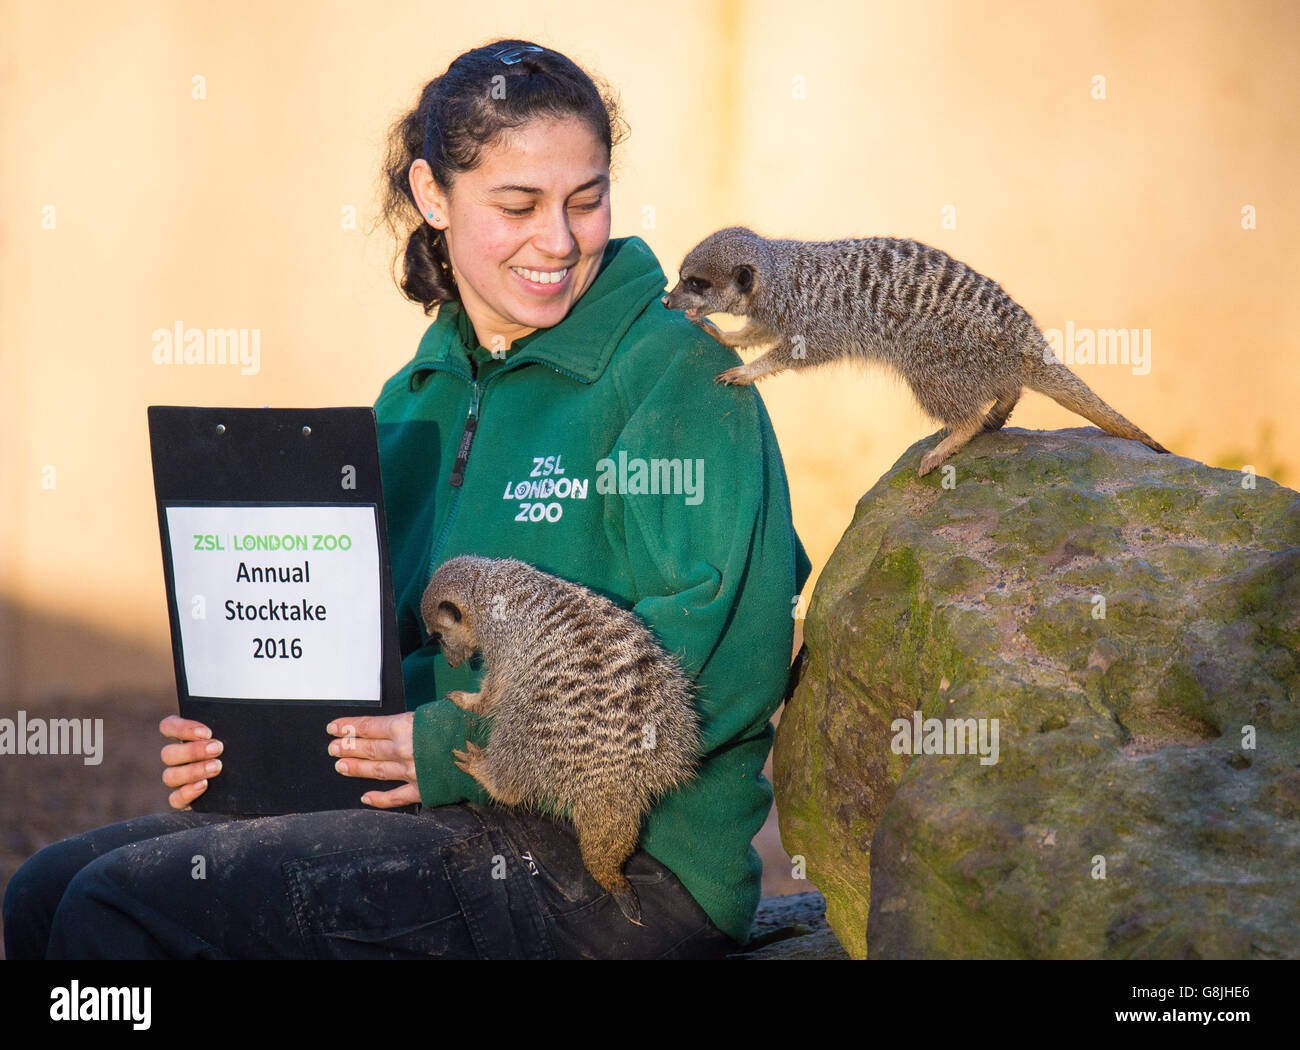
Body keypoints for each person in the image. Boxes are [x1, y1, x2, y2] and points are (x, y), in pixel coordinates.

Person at [2, 38, 810, 960]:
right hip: (425, 815)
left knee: (119, 911)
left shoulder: (676, 371)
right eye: (519, 205)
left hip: (618, 868)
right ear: (433, 196)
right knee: (44, 893)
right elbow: (352, 665)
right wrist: (250, 737)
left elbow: (734, 658)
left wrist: (445, 746)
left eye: (585, 200)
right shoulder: (414, 399)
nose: (559, 239)